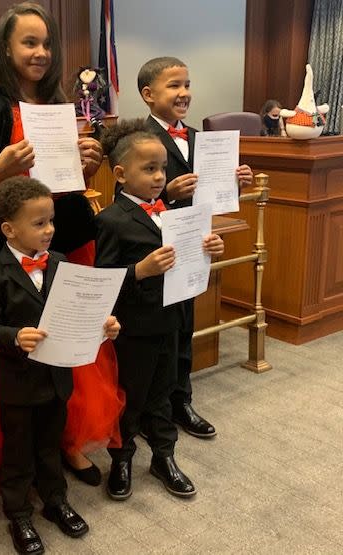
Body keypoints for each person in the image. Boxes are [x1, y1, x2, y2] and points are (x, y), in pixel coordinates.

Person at [0, 0, 123, 486]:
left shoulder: (60, 102)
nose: (41, 52)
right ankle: (18, 452)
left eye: (47, 43)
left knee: (70, 340)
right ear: (5, 47)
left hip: (64, 232)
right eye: (29, 42)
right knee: (22, 341)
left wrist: (87, 167)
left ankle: (67, 440)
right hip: (8, 240)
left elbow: (66, 182)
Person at [0, 176, 120, 555]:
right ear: (9, 229)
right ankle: (19, 512)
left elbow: (74, 313)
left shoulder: (59, 262)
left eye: (51, 221)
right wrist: (13, 336)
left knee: (50, 446)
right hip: (18, 383)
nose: (50, 230)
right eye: (39, 223)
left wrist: (102, 325)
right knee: (19, 451)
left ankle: (55, 500)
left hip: (57, 377)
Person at [96, 118, 225, 499]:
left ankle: (164, 456)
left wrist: (208, 248)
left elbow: (186, 255)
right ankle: (122, 458)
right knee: (130, 397)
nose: (158, 177)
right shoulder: (109, 221)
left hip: (171, 317)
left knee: (164, 392)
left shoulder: (172, 211)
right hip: (134, 328)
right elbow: (102, 280)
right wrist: (140, 270)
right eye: (148, 169)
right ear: (120, 174)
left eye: (162, 168)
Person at [137, 56, 253, 439]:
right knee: (159, 331)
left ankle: (181, 399)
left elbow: (213, 195)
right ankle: (148, 409)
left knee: (187, 322)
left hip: (193, 241)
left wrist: (236, 183)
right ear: (148, 95)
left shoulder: (201, 140)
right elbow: (127, 196)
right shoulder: (136, 141)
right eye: (174, 86)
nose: (184, 93)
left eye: (187, 84)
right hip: (155, 246)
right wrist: (166, 194)